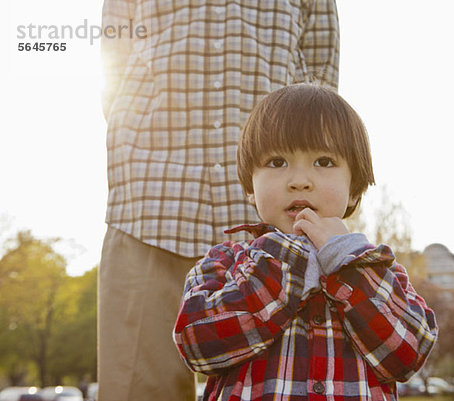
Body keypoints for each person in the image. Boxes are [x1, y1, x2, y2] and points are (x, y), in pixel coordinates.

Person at [99, 1, 340, 400]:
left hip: (275, 216)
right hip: (148, 200)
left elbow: (320, 87)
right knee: (136, 391)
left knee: (278, 387)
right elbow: (114, 54)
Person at [173, 84, 438, 401]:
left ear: (354, 189)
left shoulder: (377, 269)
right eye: (277, 162)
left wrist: (345, 262)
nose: (299, 180)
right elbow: (197, 344)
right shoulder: (224, 262)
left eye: (324, 162)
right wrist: (290, 260)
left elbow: (408, 353)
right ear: (250, 187)